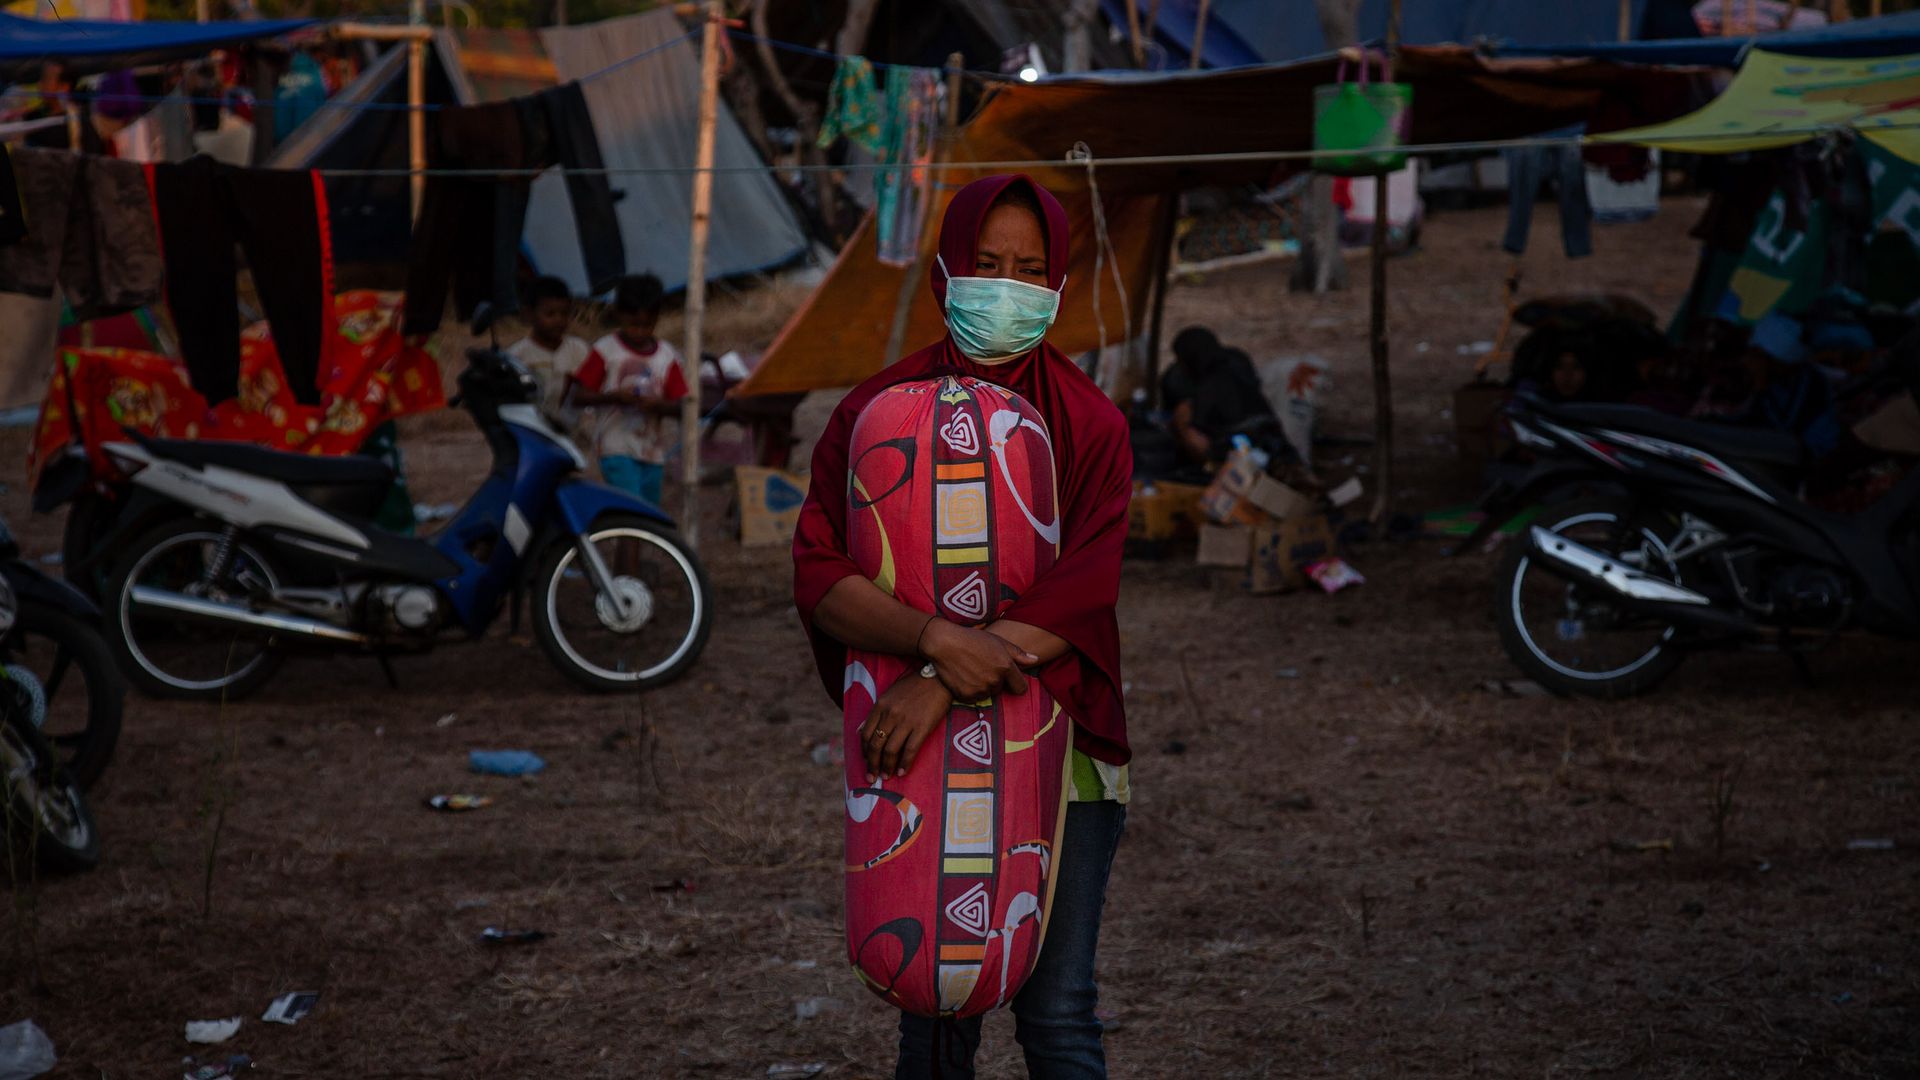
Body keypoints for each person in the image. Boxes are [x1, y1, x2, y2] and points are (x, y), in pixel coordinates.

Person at [792, 174, 1132, 1080]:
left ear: (1058, 286)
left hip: (1063, 751)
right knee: (934, 1006)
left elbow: (1080, 596)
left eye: (1029, 270)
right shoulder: (872, 416)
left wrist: (937, 678)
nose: (1005, 289)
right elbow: (821, 571)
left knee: (1057, 1013)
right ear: (947, 269)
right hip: (922, 751)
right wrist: (935, 639)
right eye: (987, 265)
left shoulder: (1092, 425)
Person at [570, 273, 687, 506]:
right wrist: (614, 397)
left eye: (647, 325)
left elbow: (683, 405)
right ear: (618, 315)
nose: (640, 331)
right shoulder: (606, 351)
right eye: (633, 324)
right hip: (616, 447)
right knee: (631, 507)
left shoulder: (667, 356)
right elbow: (579, 396)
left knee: (646, 514)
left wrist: (658, 405)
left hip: (652, 452)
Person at [1160, 325, 1283, 465]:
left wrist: (1182, 425)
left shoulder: (1209, 386)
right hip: (1269, 440)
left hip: (1238, 452)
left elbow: (1203, 441)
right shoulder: (1237, 362)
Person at [506, 275, 591, 432]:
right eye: (550, 314)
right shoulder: (518, 355)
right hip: (532, 429)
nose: (558, 320)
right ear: (529, 314)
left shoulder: (579, 349)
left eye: (564, 313)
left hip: (572, 432)